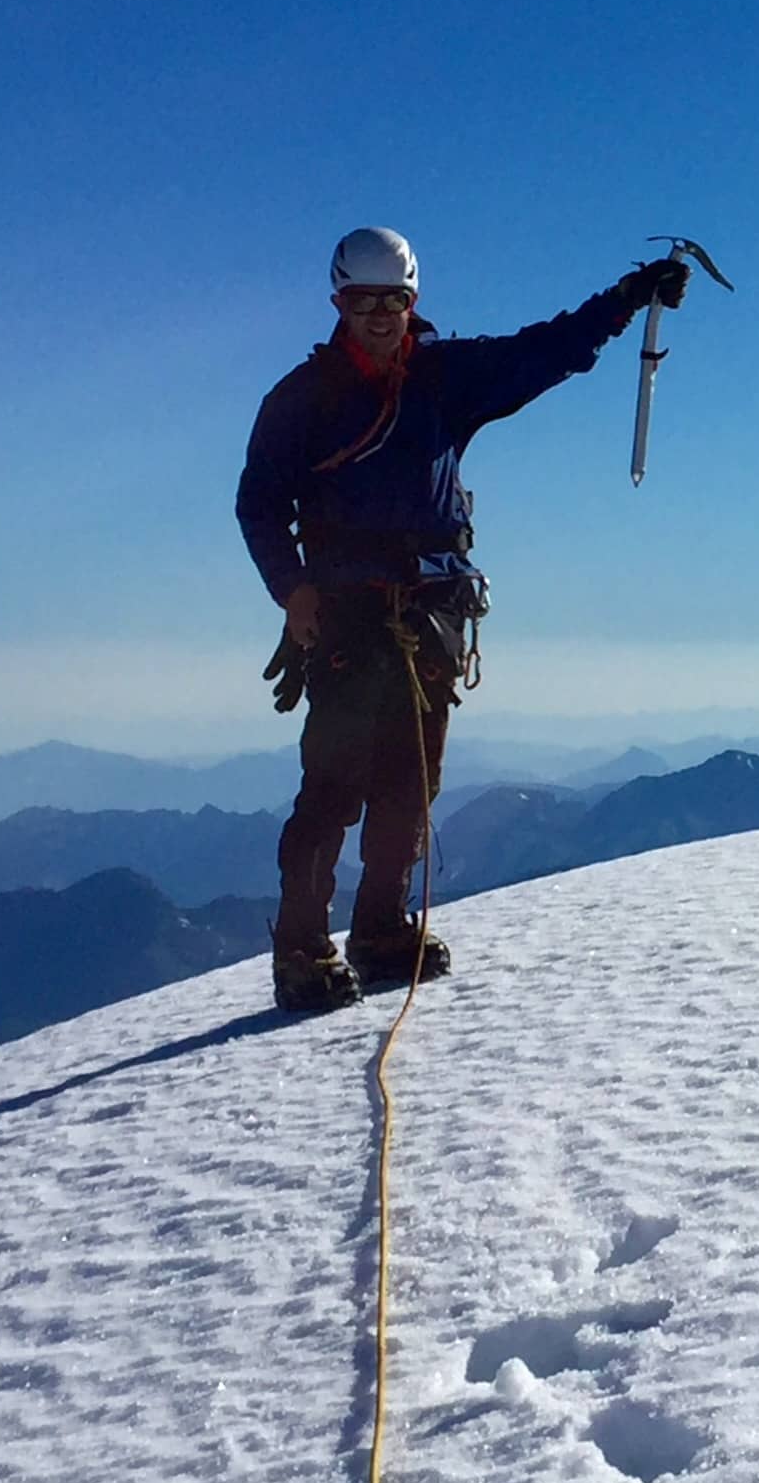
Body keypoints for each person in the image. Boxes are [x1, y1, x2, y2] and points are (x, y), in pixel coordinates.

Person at [237, 226, 690, 1011]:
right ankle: (301, 950)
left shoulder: (444, 378)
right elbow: (260, 503)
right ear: (337, 303)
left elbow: (541, 352)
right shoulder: (300, 400)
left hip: (430, 615)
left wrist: (624, 301)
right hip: (348, 613)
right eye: (362, 301)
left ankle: (380, 929)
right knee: (335, 787)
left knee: (411, 782)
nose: (380, 315)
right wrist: (295, 591)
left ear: (413, 302)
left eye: (394, 300)